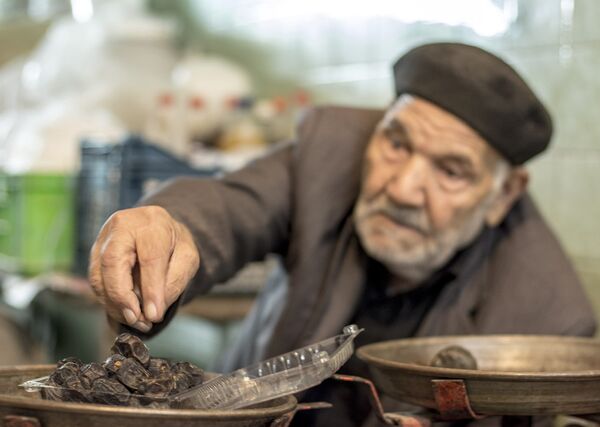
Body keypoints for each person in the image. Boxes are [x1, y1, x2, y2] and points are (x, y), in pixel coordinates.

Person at [89, 43, 596, 426]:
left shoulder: (547, 316)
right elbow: (230, 207)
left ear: (504, 195)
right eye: (396, 144)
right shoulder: (328, 153)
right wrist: (170, 226)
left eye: (451, 171)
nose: (402, 189)